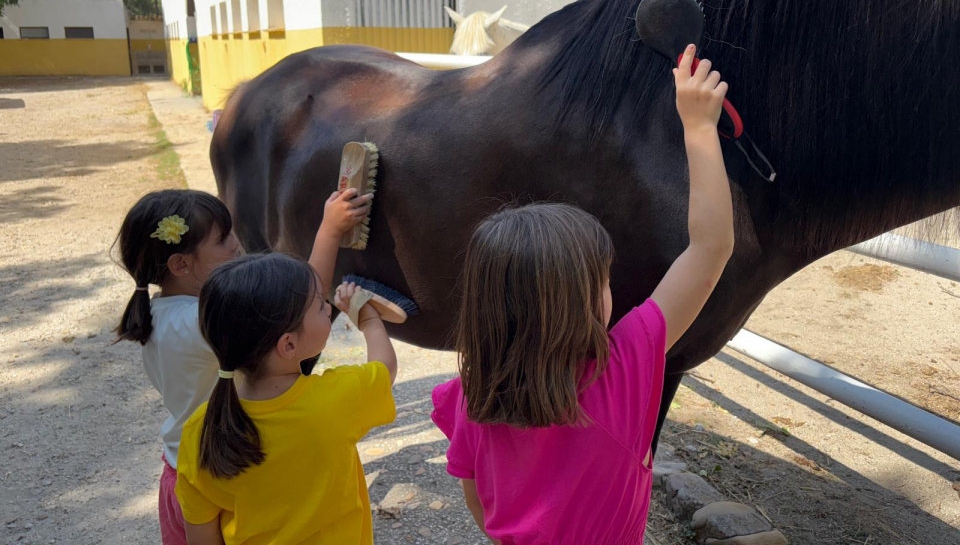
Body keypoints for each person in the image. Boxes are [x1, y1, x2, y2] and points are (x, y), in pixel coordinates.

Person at [431, 45, 735, 545]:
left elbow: (480, 505)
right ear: (581, 302)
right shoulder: (625, 364)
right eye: (603, 279)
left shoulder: (473, 394)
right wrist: (699, 126)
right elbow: (711, 247)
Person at [115, 188, 369, 545]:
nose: (235, 245)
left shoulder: (158, 311)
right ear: (181, 264)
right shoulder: (200, 323)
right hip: (225, 474)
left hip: (183, 471)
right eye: (222, 239)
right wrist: (329, 231)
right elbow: (294, 310)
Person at [174, 253, 397, 545]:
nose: (328, 310)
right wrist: (368, 319)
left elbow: (202, 537)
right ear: (289, 344)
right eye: (319, 306)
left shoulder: (200, 430)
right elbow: (385, 367)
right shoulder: (337, 398)